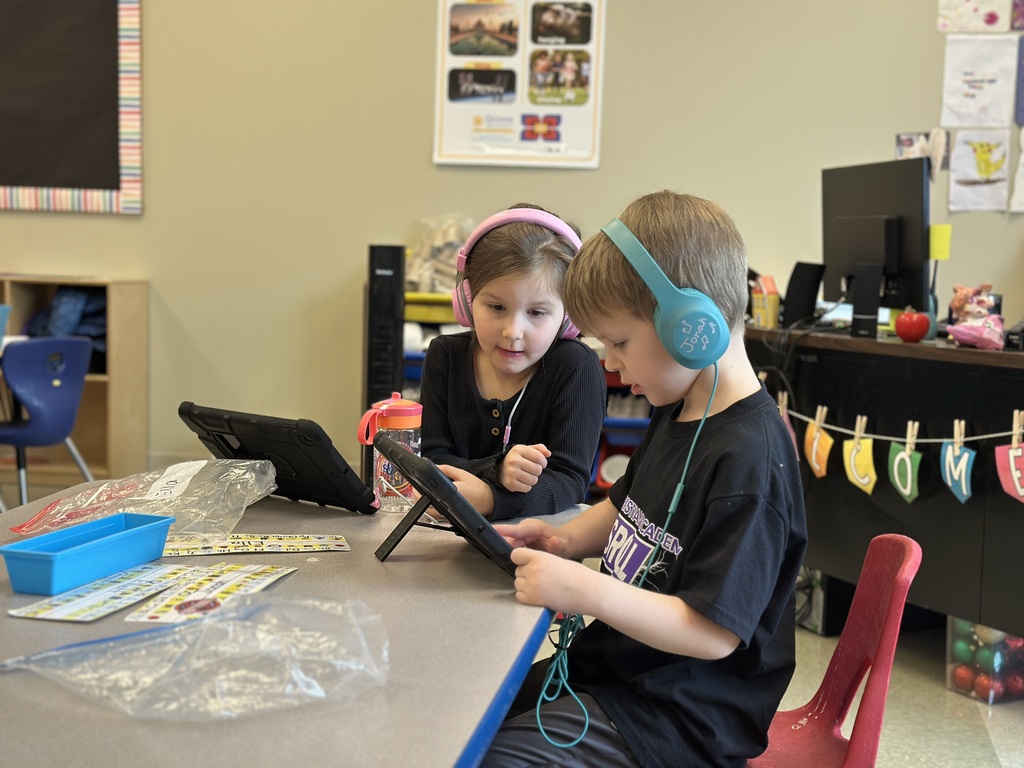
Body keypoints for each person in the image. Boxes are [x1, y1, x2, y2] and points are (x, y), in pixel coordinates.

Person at [483, 191, 808, 767]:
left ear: (693, 329)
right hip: (619, 676)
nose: (609, 362)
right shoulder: (679, 406)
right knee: (474, 712)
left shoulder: (750, 463)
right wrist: (564, 540)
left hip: (679, 720)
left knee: (497, 758)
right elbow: (627, 506)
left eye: (620, 342)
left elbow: (713, 634)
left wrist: (583, 590)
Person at [420, 204, 606, 521]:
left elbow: (569, 482)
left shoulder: (576, 367)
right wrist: (497, 470)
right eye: (496, 307)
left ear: (568, 317)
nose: (513, 332)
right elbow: (433, 461)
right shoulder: (445, 356)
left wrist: (492, 499)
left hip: (539, 551)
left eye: (536, 313)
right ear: (466, 300)